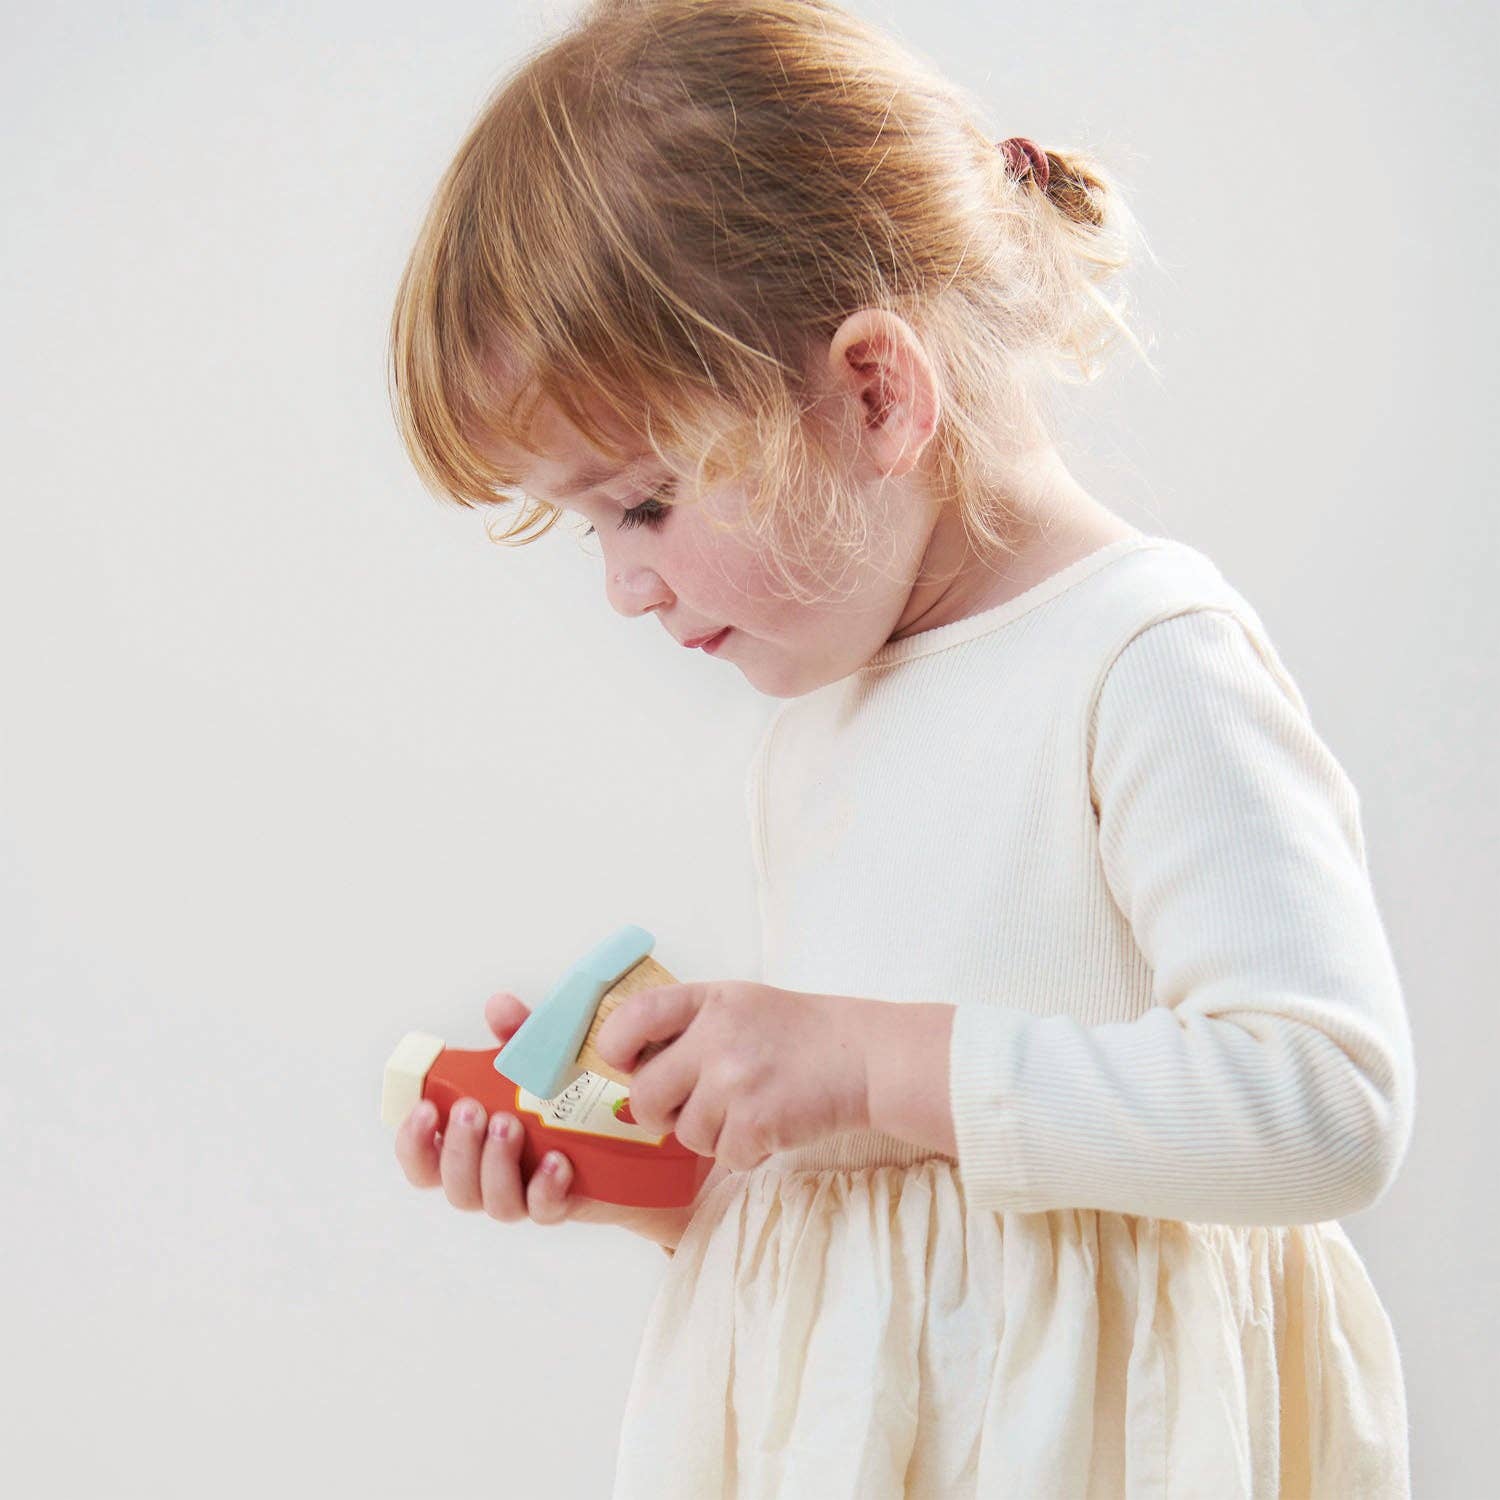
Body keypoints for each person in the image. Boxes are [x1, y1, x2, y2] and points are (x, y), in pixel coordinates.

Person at [385, 1, 1415, 1494]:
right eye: (586, 526)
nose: (624, 586)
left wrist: (866, 1063)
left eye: (644, 503)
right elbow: (899, 1223)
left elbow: (1325, 1107)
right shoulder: (823, 717)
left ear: (875, 393)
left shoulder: (1142, 660)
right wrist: (662, 1167)